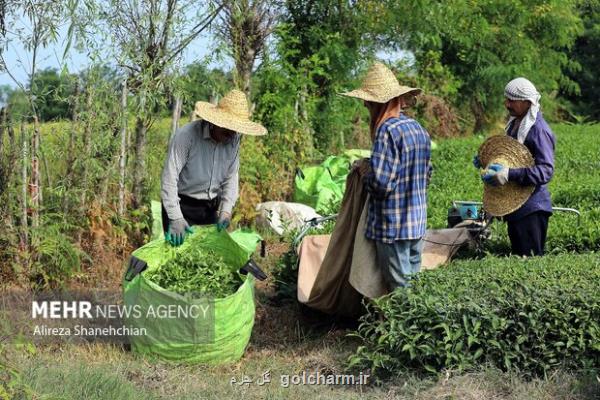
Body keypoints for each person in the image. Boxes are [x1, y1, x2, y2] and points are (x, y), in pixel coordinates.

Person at [341, 62, 432, 289]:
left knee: (400, 288)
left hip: (393, 226)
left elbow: (382, 185)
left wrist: (366, 172)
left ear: (378, 104)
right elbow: (426, 173)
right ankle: (417, 321)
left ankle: (405, 324)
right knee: (413, 281)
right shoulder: (417, 128)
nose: (365, 106)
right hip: (416, 224)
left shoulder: (386, 131)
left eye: (369, 103)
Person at [161, 89, 267, 246]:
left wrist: (225, 211)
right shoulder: (186, 136)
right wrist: (175, 217)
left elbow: (231, 176)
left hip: (210, 208)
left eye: (235, 130)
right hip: (182, 206)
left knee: (209, 261)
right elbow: (169, 178)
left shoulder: (233, 139)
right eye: (226, 128)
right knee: (179, 262)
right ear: (213, 122)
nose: (231, 134)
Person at [476, 77, 555, 256]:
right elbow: (511, 157)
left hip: (532, 208)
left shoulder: (538, 130)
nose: (507, 104)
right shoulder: (515, 124)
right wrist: (486, 161)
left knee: (530, 263)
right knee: (519, 259)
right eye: (506, 99)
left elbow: (545, 171)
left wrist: (509, 174)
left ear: (527, 102)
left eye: (512, 100)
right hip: (517, 206)